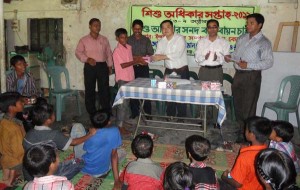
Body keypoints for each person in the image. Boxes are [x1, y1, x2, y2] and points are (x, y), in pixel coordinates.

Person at [225, 13, 274, 139]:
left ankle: (250, 134)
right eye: (247, 23)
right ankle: (241, 131)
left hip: (252, 76)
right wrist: (230, 57)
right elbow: (236, 55)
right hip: (239, 76)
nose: (248, 25)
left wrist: (249, 65)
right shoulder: (242, 38)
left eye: (252, 23)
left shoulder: (264, 42)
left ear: (259, 25)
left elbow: (268, 62)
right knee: (238, 105)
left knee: (249, 106)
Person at [23, 103, 96, 180]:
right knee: (81, 162)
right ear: (48, 120)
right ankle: (55, 180)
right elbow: (74, 142)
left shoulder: (28, 134)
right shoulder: (54, 135)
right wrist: (90, 134)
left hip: (29, 175)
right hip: (47, 174)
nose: (54, 115)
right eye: (53, 114)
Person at [152, 20, 189, 119]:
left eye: (168, 27)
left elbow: (177, 54)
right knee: (169, 93)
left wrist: (161, 57)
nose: (165, 29)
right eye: (163, 28)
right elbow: (158, 54)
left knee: (181, 94)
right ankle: (170, 115)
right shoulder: (161, 41)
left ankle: (181, 116)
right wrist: (150, 58)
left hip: (181, 70)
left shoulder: (180, 38)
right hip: (169, 71)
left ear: (173, 28)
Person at [221, 116, 272, 189]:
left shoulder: (245, 157)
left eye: (246, 129)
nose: (244, 130)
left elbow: (237, 184)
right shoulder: (270, 152)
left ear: (252, 135)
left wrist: (224, 177)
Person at [75, 18, 113, 115]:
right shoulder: (84, 40)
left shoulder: (104, 39)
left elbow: (108, 53)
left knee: (104, 89)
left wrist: (110, 66)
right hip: (90, 66)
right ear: (90, 26)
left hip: (102, 66)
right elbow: (78, 52)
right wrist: (87, 59)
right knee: (90, 89)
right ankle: (92, 112)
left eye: (99, 25)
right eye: (95, 25)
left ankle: (105, 111)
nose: (97, 27)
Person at [113, 28, 145, 135]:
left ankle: (123, 122)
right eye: (122, 37)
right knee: (122, 103)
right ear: (117, 38)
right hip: (123, 79)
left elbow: (131, 59)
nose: (124, 39)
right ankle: (119, 127)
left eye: (126, 37)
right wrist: (136, 60)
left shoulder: (128, 47)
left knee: (126, 103)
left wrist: (140, 60)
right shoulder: (117, 51)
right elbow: (123, 65)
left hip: (130, 77)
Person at [81, 110, 122, 190]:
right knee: (120, 152)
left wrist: (88, 135)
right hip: (102, 170)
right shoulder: (115, 130)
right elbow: (114, 155)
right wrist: (117, 180)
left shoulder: (91, 135)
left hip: (84, 168)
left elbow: (85, 148)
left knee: (77, 126)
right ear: (108, 122)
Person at [128, 19, 154, 119]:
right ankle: (135, 112)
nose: (137, 31)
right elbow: (126, 55)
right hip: (132, 68)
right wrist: (136, 58)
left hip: (143, 67)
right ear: (132, 29)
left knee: (146, 90)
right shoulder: (128, 40)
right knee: (133, 89)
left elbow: (150, 53)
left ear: (142, 29)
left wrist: (142, 59)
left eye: (139, 29)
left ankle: (147, 113)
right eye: (135, 29)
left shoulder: (146, 40)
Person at [0, 92, 26, 187]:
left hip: (5, 159)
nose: (23, 103)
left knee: (8, 159)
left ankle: (6, 177)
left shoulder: (3, 121)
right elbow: (19, 151)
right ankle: (10, 180)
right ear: (11, 107)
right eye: (20, 102)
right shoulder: (14, 128)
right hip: (16, 161)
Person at [195, 19, 230, 83]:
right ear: (207, 29)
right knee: (203, 92)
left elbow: (226, 59)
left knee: (217, 92)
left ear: (218, 28)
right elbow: (197, 58)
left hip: (217, 71)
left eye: (214, 27)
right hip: (204, 71)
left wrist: (217, 58)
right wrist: (204, 57)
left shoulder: (224, 42)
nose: (212, 29)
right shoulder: (201, 42)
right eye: (209, 27)